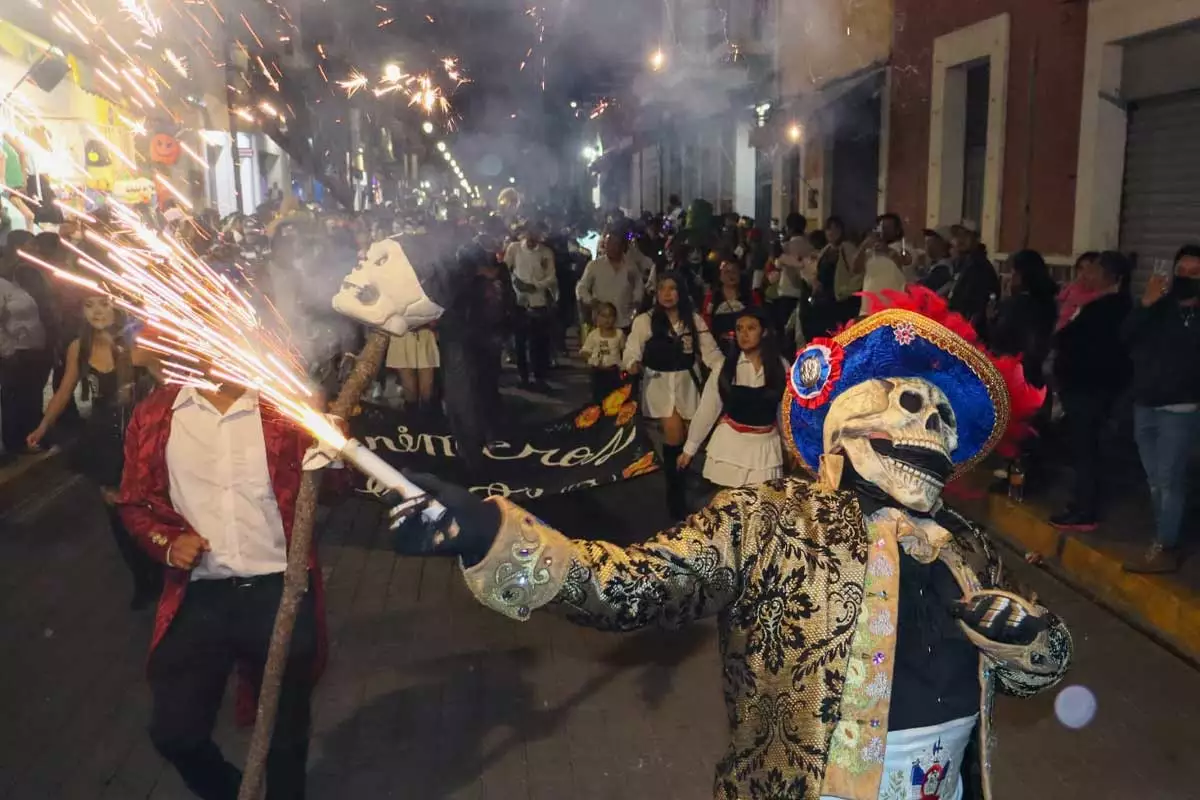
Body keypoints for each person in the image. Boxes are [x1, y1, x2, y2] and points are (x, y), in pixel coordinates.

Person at [391, 287, 1071, 800]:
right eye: (910, 405)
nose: (930, 428)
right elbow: (633, 586)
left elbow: (1029, 670)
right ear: (845, 422)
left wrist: (1030, 643)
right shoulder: (767, 519)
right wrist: (494, 534)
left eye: (943, 417)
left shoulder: (970, 547)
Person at [117, 379, 330, 800]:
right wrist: (168, 543)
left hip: (280, 590)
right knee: (175, 732)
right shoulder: (156, 414)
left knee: (285, 731)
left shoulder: (283, 408)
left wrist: (332, 442)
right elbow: (135, 502)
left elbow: (335, 486)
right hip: (201, 594)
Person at [28, 292, 162, 607]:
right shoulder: (80, 347)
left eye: (103, 303)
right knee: (116, 510)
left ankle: (161, 569)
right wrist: (43, 426)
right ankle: (142, 579)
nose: (97, 311)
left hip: (141, 436)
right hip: (103, 439)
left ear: (118, 306)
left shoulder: (139, 347)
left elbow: (170, 385)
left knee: (150, 505)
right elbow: (65, 389)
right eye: (88, 305)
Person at [1122, 244, 1200, 574]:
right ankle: (1164, 537)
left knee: (1169, 480)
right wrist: (1145, 304)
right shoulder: (1158, 306)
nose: (1186, 277)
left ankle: (1166, 545)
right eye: (1181, 271)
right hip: (1145, 404)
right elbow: (1125, 336)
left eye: (1194, 273)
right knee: (1155, 479)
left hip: (1181, 407)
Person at [624, 272, 721, 519]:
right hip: (659, 385)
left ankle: (682, 478)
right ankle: (675, 496)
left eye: (672, 288)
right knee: (674, 433)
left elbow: (711, 353)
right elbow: (632, 350)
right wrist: (632, 364)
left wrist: (726, 371)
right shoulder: (645, 321)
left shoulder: (693, 320)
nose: (667, 294)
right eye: (662, 289)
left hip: (688, 383)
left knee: (689, 437)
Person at [1051, 250, 1132, 531]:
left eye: (1094, 271)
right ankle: (1080, 503)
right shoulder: (1095, 305)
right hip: (1084, 387)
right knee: (1082, 448)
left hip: (1090, 389)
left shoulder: (1110, 309)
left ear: (1112, 277)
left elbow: (1074, 341)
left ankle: (1086, 510)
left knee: (1086, 449)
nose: (1087, 276)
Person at [678, 308, 788, 496]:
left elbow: (784, 410)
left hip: (765, 450)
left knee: (762, 505)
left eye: (751, 328)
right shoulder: (725, 367)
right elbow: (708, 409)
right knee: (728, 505)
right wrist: (690, 449)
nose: (744, 334)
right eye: (739, 329)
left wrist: (788, 446)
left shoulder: (780, 366)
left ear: (764, 332)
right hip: (730, 449)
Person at [0, 252, 49, 456]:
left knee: (29, 396)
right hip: (16, 352)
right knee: (15, 399)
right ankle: (16, 443)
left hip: (30, 350)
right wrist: (8, 351)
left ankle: (30, 437)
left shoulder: (12, 283)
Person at [506, 223, 557, 391]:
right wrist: (515, 284)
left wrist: (535, 286)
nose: (531, 235)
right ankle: (523, 377)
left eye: (535, 232)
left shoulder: (546, 253)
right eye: (529, 231)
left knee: (538, 342)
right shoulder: (514, 249)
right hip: (519, 302)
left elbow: (551, 277)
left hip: (538, 302)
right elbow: (506, 269)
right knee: (520, 342)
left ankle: (539, 377)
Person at [576, 230, 644, 332]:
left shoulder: (631, 266)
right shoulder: (594, 266)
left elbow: (639, 287)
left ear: (622, 246)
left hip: (625, 321)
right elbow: (582, 288)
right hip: (601, 323)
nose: (611, 247)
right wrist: (592, 302)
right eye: (609, 243)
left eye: (615, 244)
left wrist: (636, 305)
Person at [947, 222, 1000, 337]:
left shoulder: (979, 266)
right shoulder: (965, 264)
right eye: (958, 235)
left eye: (965, 235)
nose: (960, 240)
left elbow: (977, 306)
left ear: (975, 238)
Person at [700, 258, 759, 343]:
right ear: (720, 276)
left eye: (734, 271)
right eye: (727, 272)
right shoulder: (712, 298)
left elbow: (759, 319)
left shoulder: (751, 296)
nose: (731, 275)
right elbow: (706, 322)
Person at [854, 212, 911, 300]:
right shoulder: (871, 250)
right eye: (882, 227)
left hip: (893, 303)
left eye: (888, 227)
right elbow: (855, 269)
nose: (884, 231)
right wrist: (864, 246)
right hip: (870, 303)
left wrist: (888, 251)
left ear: (897, 230)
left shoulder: (903, 248)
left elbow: (905, 263)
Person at [579, 301, 627, 403]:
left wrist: (624, 366)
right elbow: (584, 351)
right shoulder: (594, 335)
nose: (607, 320)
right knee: (598, 398)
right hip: (598, 372)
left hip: (614, 372)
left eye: (610, 316)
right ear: (598, 318)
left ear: (615, 318)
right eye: (604, 316)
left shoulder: (619, 334)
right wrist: (592, 360)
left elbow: (624, 351)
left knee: (614, 399)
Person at [773, 212, 811, 335]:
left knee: (787, 330)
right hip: (805, 292)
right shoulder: (809, 245)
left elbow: (777, 265)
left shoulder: (786, 246)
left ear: (789, 228)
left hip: (787, 291)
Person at [1055, 252, 1102, 332]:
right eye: (1081, 269)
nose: (1083, 274)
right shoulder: (1070, 288)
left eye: (1090, 270)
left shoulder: (1100, 297)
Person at [921, 226, 956, 295]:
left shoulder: (943, 268)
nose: (928, 245)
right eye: (927, 242)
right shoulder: (935, 265)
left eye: (932, 241)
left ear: (943, 244)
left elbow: (923, 287)